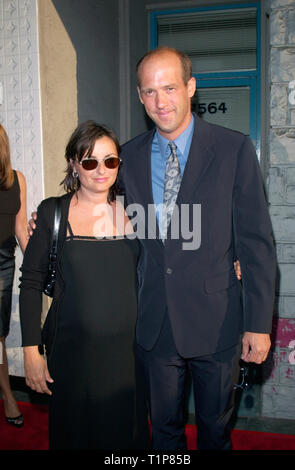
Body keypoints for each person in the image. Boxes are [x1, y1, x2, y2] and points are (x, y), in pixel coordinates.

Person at [118, 46, 277, 450]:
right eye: (150, 91)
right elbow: (103, 213)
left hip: (217, 321)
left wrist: (258, 323)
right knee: (164, 433)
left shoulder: (233, 149)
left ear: (191, 87)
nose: (161, 101)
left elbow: (256, 243)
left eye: (169, 87)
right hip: (154, 323)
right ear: (140, 97)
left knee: (215, 432)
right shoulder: (128, 157)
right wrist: (53, 222)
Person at [19, 121, 149, 450]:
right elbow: (31, 283)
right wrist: (31, 352)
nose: (101, 170)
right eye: (90, 161)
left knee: (124, 439)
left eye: (110, 161)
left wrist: (229, 260)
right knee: (77, 436)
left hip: (128, 358)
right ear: (74, 165)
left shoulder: (135, 212)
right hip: (73, 356)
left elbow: (168, 264)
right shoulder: (53, 212)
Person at [0, 124, 28, 427]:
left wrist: (38, 265)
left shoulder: (15, 180)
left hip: (3, 264)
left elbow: (21, 228)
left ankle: (7, 394)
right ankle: (8, 395)